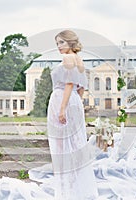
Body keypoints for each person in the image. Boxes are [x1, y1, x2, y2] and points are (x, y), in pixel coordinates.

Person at [47, 30, 99, 199]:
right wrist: (76, 103)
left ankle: (66, 189)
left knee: (61, 146)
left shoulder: (68, 58)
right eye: (57, 43)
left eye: (61, 42)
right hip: (74, 100)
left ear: (70, 42)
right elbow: (81, 86)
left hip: (63, 99)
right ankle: (77, 187)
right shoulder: (79, 60)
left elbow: (69, 83)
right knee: (75, 144)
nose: (59, 47)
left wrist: (62, 108)